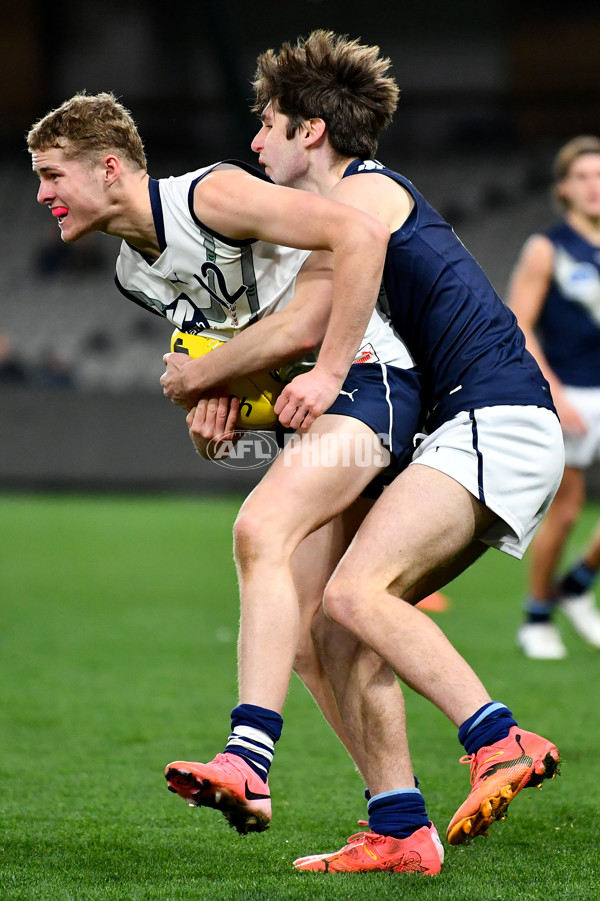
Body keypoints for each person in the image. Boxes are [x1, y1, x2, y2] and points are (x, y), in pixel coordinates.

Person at [160, 31, 563, 872]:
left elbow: (308, 331)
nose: (256, 140)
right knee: (331, 634)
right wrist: (240, 389)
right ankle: (398, 826)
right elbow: (303, 346)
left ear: (312, 131)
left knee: (353, 594)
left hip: (492, 416)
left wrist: (196, 378)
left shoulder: (365, 197)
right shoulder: (336, 219)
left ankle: (499, 737)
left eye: (269, 123)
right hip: (460, 428)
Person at [28, 91, 452, 875]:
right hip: (313, 412)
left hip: (369, 380)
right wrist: (212, 416)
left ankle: (249, 757)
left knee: (260, 530)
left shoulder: (208, 194)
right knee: (314, 642)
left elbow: (359, 233)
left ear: (109, 166)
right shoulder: (133, 272)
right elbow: (230, 370)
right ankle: (402, 826)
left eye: (53, 174)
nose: (44, 193)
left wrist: (313, 370)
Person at [506, 136, 600, 659]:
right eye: (583, 176)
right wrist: (554, 392)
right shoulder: (548, 247)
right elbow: (519, 322)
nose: (594, 186)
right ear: (564, 188)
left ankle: (580, 583)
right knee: (565, 513)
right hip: (568, 393)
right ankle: (537, 616)